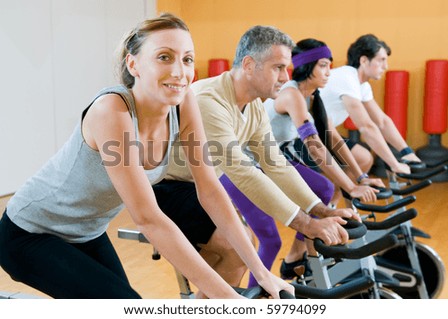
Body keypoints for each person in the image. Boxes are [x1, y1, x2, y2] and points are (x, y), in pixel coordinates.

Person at [0, 13, 293, 299]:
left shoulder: (183, 102)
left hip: (87, 231)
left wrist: (262, 272)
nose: (180, 71)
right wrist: (227, 297)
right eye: (164, 57)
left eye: (187, 59)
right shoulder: (111, 111)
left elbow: (211, 190)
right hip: (32, 232)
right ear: (134, 63)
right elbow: (149, 218)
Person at [165, 25, 360, 287]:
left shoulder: (254, 106)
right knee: (238, 247)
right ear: (248, 65)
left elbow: (276, 165)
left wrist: (320, 211)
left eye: (286, 68)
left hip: (203, 186)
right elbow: (243, 171)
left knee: (237, 254)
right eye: (277, 67)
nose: (284, 76)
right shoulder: (208, 100)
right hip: (169, 187)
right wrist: (304, 224)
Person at [263, 38, 384, 277]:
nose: (329, 72)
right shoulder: (292, 94)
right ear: (307, 67)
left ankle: (298, 257)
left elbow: (333, 139)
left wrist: (360, 178)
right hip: (259, 160)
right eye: (323, 65)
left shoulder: (312, 97)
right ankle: (307, 256)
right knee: (323, 188)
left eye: (330, 65)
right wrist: (351, 186)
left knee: (323, 190)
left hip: (280, 155)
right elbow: (315, 146)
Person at [319, 34, 421, 176]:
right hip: (297, 136)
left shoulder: (362, 85)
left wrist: (407, 152)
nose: (385, 66)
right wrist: (394, 164)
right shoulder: (347, 77)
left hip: (321, 134)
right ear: (364, 60)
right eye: (381, 60)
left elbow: (382, 121)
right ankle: (339, 194)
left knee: (364, 159)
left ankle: (347, 196)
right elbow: (366, 127)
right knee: (359, 158)